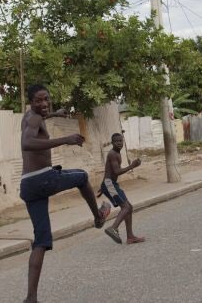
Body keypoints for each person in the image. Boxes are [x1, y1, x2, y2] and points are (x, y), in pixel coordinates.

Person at [19, 84, 111, 303]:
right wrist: (65, 139)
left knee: (41, 241)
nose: (43, 104)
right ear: (31, 102)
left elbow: (39, 118)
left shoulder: (29, 116)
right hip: (43, 178)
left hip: (28, 185)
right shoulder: (33, 119)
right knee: (81, 176)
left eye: (46, 100)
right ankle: (98, 217)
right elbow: (27, 142)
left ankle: (31, 298)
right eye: (39, 100)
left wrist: (54, 114)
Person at [100, 133, 145, 245]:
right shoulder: (113, 154)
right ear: (112, 143)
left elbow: (108, 171)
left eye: (121, 141)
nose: (119, 143)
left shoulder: (116, 153)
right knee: (126, 207)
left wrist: (103, 187)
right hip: (109, 184)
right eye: (117, 141)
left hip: (110, 184)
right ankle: (113, 228)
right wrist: (132, 166)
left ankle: (130, 237)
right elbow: (116, 171)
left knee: (129, 207)